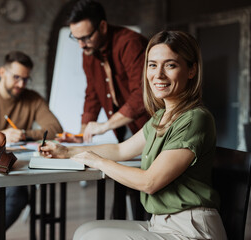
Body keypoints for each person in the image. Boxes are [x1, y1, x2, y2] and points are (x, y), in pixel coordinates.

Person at [40, 30, 227, 239]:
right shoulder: (160, 117)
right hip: (160, 222)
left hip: (192, 229)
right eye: (153, 65)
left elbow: (149, 182)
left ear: (191, 70)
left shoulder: (194, 119)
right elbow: (121, 149)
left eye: (171, 65)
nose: (158, 75)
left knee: (92, 238)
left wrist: (99, 162)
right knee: (85, 231)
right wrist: (67, 151)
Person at [0, 51, 63, 239]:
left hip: (10, 167)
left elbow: (55, 128)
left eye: (26, 79)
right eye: (16, 78)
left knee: (18, 196)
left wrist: (24, 133)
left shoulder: (32, 98)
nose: (21, 84)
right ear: (2, 73)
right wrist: (0, 135)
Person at [61, 0, 149, 143]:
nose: (81, 45)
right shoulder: (89, 52)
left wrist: (105, 126)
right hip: (125, 130)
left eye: (86, 38)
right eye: (76, 38)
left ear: (102, 27)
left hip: (150, 127)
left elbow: (142, 93)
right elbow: (92, 95)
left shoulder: (130, 44)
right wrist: (82, 134)